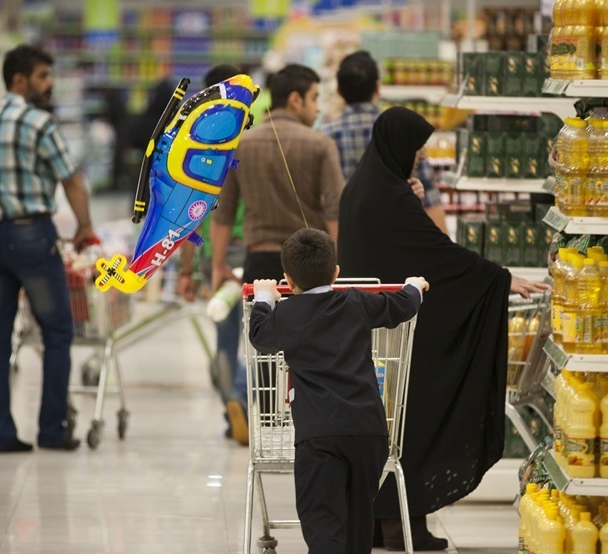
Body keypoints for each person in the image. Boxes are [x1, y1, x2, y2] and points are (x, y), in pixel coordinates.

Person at [337, 107, 548, 551]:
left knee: (384, 426)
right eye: (416, 149)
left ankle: (377, 523)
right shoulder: (388, 197)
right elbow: (436, 255)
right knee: (410, 423)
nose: (419, 156)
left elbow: (403, 249)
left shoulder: (363, 188)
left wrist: (409, 197)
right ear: (398, 146)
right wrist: (499, 278)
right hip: (398, 331)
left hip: (373, 330)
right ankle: (403, 528)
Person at [0, 44, 95, 453]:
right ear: (19, 79)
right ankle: (51, 430)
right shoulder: (39, 123)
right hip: (32, 237)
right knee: (57, 331)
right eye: (43, 76)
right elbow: (71, 179)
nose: (50, 84)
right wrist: (85, 226)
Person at [248, 228, 429, 554]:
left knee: (323, 521)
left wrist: (264, 296)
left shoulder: (288, 314)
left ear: (288, 280)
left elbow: (259, 335)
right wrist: (414, 286)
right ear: (335, 273)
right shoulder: (356, 301)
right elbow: (402, 306)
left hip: (319, 436)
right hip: (368, 432)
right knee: (359, 519)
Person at [211, 63, 344, 295]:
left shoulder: (241, 145)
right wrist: (337, 263)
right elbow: (335, 210)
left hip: (259, 262)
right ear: (295, 100)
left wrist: (218, 265)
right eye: (314, 98)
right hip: (310, 265)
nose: (318, 109)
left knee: (261, 317)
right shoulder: (320, 144)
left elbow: (224, 212)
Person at [177, 63, 250, 445]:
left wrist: (186, 271)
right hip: (253, 248)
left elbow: (188, 212)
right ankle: (248, 400)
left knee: (225, 337)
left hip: (213, 252)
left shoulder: (196, 143)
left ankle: (231, 404)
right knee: (263, 338)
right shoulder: (252, 136)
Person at [319, 50, 448, 234]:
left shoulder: (324, 135)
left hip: (343, 237)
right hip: (394, 237)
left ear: (339, 90)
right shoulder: (403, 133)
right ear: (378, 87)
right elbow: (429, 196)